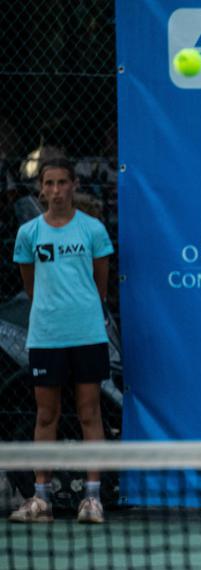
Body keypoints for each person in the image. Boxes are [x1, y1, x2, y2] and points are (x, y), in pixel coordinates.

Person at [8, 158, 114, 524]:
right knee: (46, 414)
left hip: (86, 334)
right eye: (48, 184)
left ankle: (93, 499)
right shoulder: (29, 234)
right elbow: (30, 284)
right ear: (41, 188)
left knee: (89, 413)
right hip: (46, 336)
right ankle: (41, 499)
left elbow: (100, 284)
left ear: (73, 186)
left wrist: (82, 308)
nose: (55, 191)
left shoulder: (93, 230)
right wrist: (53, 311)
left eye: (62, 183)